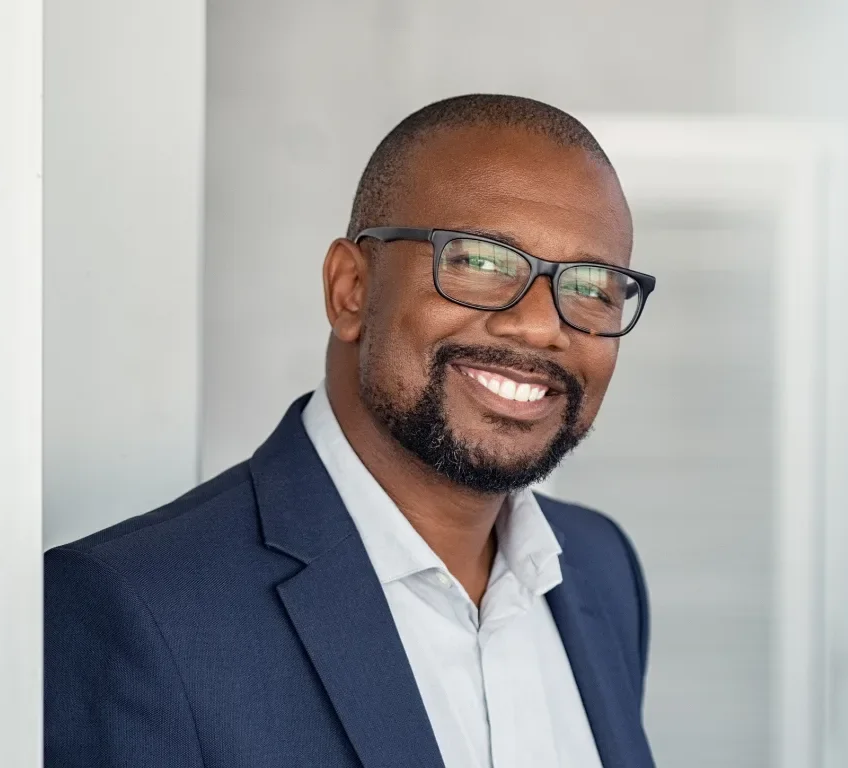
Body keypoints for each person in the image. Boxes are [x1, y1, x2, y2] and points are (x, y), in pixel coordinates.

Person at [45, 94, 657, 768]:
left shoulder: (600, 569)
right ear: (351, 289)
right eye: (480, 263)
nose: (543, 327)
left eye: (593, 288)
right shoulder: (138, 609)